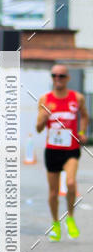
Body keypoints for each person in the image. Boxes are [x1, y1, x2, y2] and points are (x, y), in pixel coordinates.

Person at [36, 64, 88, 240]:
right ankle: (55, 223)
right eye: (54, 75)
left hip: (71, 149)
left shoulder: (77, 98)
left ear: (67, 78)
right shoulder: (45, 99)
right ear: (52, 78)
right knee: (53, 192)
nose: (57, 78)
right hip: (52, 150)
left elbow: (85, 116)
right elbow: (38, 128)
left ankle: (70, 218)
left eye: (61, 76)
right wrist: (44, 116)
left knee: (71, 183)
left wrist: (82, 133)